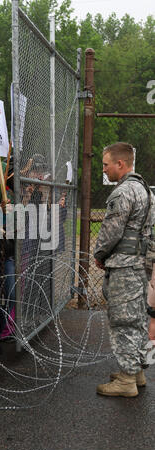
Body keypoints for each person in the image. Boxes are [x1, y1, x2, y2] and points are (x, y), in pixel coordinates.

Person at [94, 142, 155, 397]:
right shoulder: (145, 190)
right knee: (138, 318)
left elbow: (111, 231)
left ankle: (127, 380)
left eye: (106, 164)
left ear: (120, 164)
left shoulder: (123, 193)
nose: (104, 170)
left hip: (124, 266)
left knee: (123, 321)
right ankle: (137, 371)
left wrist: (99, 254)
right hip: (140, 265)